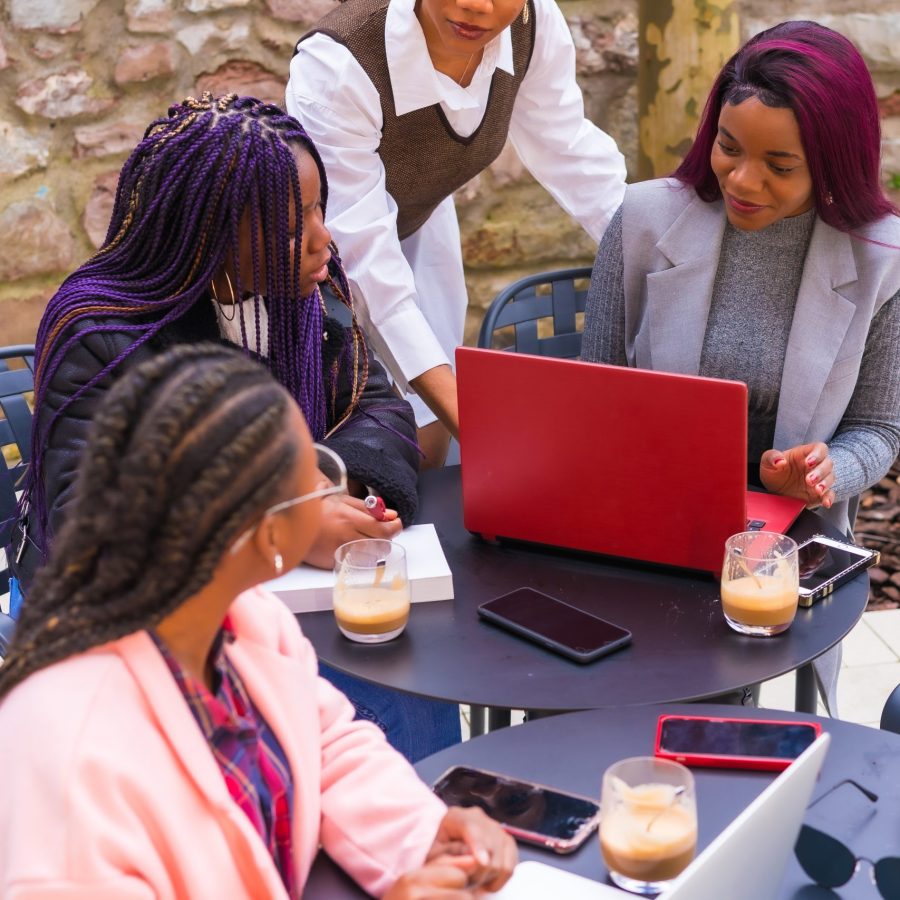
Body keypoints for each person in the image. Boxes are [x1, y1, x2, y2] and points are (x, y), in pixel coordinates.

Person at [11, 93, 461, 761]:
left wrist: (333, 492)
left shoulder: (310, 295)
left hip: (270, 604)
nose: (322, 239)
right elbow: (88, 526)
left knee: (411, 676)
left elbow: (381, 412)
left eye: (318, 209)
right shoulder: (105, 332)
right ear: (209, 235)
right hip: (117, 623)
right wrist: (290, 517)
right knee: (357, 709)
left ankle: (411, 842)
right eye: (291, 225)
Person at [0, 344, 516, 899]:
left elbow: (328, 747)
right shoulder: (70, 756)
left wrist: (424, 834)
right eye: (315, 482)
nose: (329, 486)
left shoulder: (246, 621)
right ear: (271, 535)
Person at [582, 21, 900, 712]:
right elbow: (594, 397)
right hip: (646, 516)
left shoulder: (882, 264)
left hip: (782, 541)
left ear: (834, 162)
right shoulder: (642, 220)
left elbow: (879, 425)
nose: (743, 180)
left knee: (711, 706)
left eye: (780, 166)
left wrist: (823, 471)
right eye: (729, 147)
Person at [287, 0, 627, 465]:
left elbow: (572, 153)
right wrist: (477, 424)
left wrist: (657, 257)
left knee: (430, 440)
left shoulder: (532, 23)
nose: (475, 5)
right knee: (391, 441)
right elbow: (363, 253)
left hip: (421, 229)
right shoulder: (339, 64)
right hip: (315, 270)